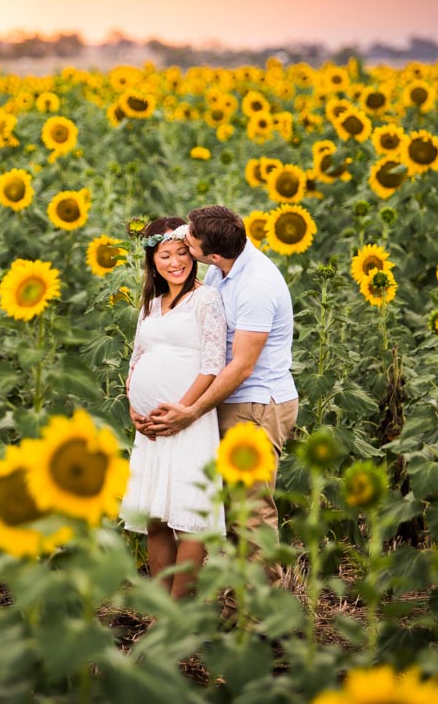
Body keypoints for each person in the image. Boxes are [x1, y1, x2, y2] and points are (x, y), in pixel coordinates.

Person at [144, 205, 299, 581]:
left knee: (250, 512)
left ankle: (258, 624)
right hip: (229, 401)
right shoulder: (222, 268)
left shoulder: (256, 287)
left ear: (210, 254)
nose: (184, 238)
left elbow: (242, 365)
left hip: (257, 405)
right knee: (231, 512)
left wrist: (192, 410)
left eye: (190, 239)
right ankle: (238, 613)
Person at [121, 216, 228, 599]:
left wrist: (181, 411)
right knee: (155, 518)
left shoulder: (206, 299)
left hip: (188, 422)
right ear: (153, 260)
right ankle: (160, 610)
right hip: (149, 428)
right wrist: (135, 407)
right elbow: (136, 360)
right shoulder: (150, 306)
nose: (175, 262)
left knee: (190, 516)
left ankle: (180, 609)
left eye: (182, 253)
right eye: (165, 255)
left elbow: (213, 365)